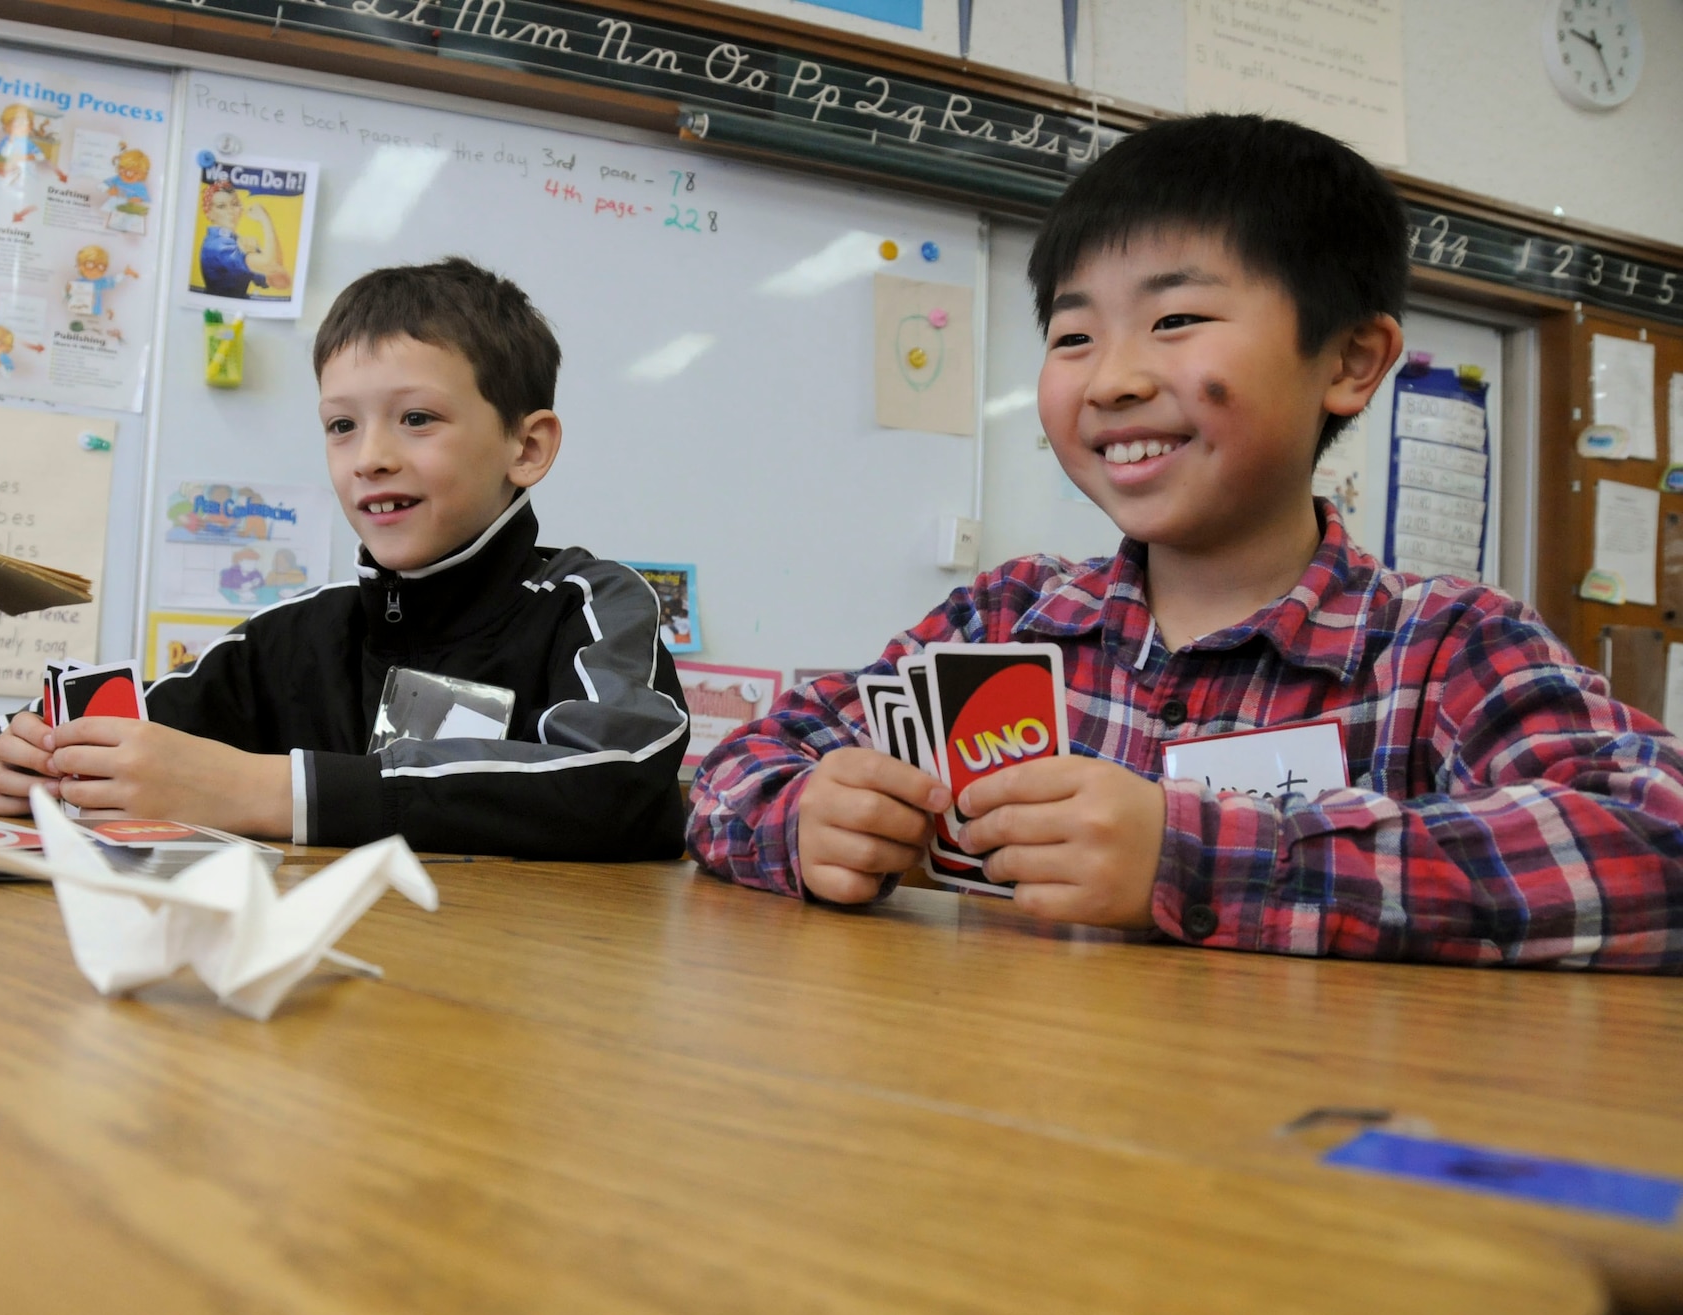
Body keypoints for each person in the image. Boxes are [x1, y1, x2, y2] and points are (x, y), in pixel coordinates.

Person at [688, 114, 1683, 971]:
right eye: (1072, 336)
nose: (1111, 377)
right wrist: (804, 821)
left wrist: (1191, 855)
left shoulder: (1443, 648)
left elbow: (1658, 849)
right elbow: (733, 767)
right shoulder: (1006, 615)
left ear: (1347, 359)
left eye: (1176, 317)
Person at [0, 257, 690, 858]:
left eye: (417, 419)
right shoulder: (296, 635)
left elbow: (618, 780)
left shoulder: (594, 605)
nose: (371, 459)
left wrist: (272, 793)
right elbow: (137, 731)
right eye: (341, 426)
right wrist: (29, 756)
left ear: (527, 448)